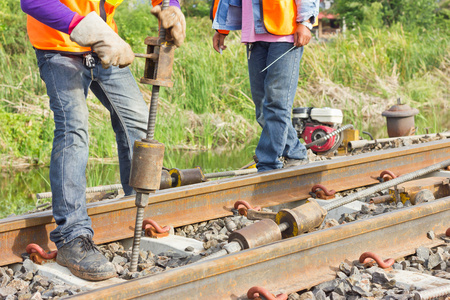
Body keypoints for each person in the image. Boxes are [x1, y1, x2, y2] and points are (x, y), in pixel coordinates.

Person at [20, 0, 185, 281]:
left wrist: (171, 5)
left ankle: (135, 211)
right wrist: (83, 27)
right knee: (74, 131)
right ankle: (73, 238)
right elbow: (33, 2)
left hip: (105, 44)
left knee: (137, 122)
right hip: (59, 48)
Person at [211, 0, 318, 172]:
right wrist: (222, 29)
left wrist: (305, 22)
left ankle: (268, 164)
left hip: (285, 34)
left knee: (277, 103)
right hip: (254, 34)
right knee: (262, 107)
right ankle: (295, 153)